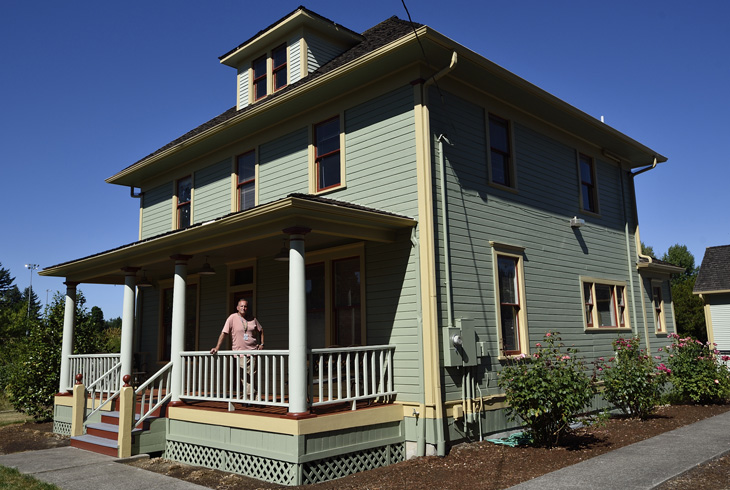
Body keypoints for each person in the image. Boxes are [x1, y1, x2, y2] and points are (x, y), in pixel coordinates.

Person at [210, 299, 264, 399]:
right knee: (245, 375)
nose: (244, 308)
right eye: (241, 306)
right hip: (240, 352)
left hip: (253, 351)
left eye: (245, 306)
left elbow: (261, 330)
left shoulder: (252, 319)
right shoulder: (232, 318)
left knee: (252, 374)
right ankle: (251, 397)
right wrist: (217, 347)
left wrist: (262, 344)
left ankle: (250, 397)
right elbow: (224, 333)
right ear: (237, 308)